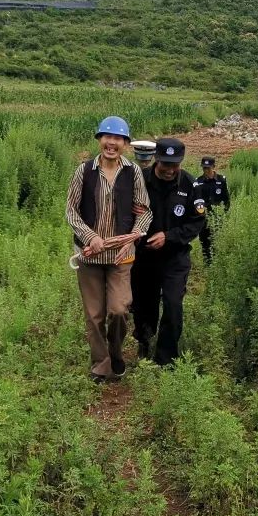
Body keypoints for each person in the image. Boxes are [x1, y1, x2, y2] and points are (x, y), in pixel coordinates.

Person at [66, 116, 153, 381]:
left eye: (117, 139)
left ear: (125, 143)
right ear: (99, 140)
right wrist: (90, 236)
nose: (111, 143)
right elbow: (71, 211)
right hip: (89, 256)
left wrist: (131, 237)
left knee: (118, 310)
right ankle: (100, 365)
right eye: (107, 137)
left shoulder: (133, 172)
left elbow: (144, 211)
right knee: (94, 315)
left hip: (121, 255)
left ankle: (115, 352)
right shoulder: (84, 171)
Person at [132, 138, 206, 365]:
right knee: (144, 304)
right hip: (144, 256)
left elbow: (197, 222)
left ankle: (165, 359)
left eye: (175, 165)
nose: (170, 170)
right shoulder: (140, 181)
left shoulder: (190, 185)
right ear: (156, 159)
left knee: (173, 305)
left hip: (175, 257)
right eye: (166, 164)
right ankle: (144, 341)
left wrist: (169, 237)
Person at [194, 156, 230, 262]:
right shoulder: (198, 182)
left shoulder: (221, 180)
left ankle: (216, 261)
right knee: (204, 240)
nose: (206, 170)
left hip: (217, 216)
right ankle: (207, 262)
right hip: (204, 216)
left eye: (208, 168)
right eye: (204, 168)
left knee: (216, 239)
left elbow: (226, 199)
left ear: (214, 167)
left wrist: (225, 213)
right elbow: (197, 201)